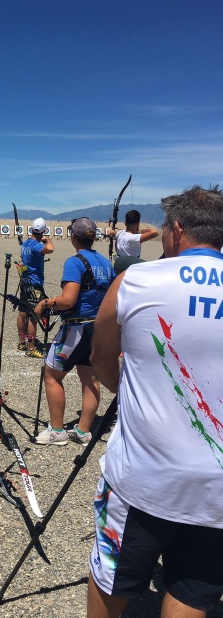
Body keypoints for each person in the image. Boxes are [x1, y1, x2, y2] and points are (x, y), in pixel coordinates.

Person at [87, 186, 223, 618]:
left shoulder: (138, 279)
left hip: (144, 477)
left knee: (114, 581)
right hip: (218, 485)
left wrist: (133, 395)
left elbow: (102, 361)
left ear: (177, 230)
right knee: (194, 590)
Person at [33, 218, 115, 446]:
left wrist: (46, 303)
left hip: (76, 329)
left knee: (52, 376)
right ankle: (83, 431)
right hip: (97, 330)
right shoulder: (106, 263)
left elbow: (68, 300)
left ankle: (57, 431)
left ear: (73, 237)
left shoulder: (75, 262)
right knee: (90, 378)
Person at [16, 217, 54, 358]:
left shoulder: (25, 243)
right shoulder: (36, 245)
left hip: (25, 281)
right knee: (34, 315)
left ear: (32, 229)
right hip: (34, 283)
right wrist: (47, 239)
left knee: (22, 312)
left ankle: (22, 342)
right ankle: (31, 348)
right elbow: (50, 249)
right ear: (43, 231)